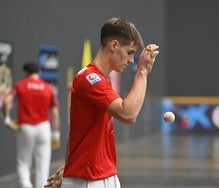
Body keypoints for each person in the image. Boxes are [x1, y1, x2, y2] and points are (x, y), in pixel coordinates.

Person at [45, 17, 159, 188]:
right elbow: (128, 113)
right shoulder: (90, 79)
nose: (130, 60)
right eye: (129, 52)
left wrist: (70, 167)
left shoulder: (102, 80)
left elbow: (76, 131)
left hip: (99, 175)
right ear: (114, 46)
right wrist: (142, 71)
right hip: (90, 179)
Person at [2, 62, 60, 188]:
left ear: (26, 73)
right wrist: (56, 133)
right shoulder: (48, 87)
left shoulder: (20, 85)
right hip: (44, 128)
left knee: (23, 162)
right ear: (39, 72)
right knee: (43, 164)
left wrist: (6, 119)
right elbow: (54, 112)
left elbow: (6, 101)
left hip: (26, 128)